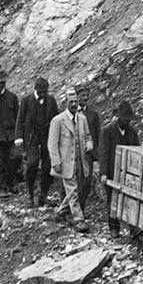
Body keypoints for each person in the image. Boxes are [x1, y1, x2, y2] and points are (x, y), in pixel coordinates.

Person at [49, 88, 95, 228]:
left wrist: (89, 144)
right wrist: (56, 162)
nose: (74, 104)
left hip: (80, 160)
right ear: (66, 104)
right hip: (65, 162)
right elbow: (52, 143)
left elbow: (88, 135)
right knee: (73, 190)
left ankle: (61, 211)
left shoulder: (82, 119)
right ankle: (78, 219)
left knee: (77, 189)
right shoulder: (58, 121)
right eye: (71, 102)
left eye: (75, 101)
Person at [98, 101, 140, 236]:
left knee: (130, 200)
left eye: (128, 119)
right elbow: (103, 153)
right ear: (118, 117)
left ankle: (133, 228)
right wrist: (103, 172)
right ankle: (114, 228)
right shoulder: (107, 131)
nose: (126, 121)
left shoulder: (132, 132)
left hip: (128, 172)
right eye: (124, 118)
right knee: (112, 199)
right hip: (111, 171)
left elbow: (137, 152)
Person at [18, 77, 60, 207]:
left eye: (45, 92)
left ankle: (43, 194)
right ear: (36, 90)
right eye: (41, 92)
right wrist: (19, 138)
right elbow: (20, 120)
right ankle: (30, 194)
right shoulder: (26, 101)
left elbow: (56, 119)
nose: (43, 94)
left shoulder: (51, 101)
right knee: (32, 164)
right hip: (32, 139)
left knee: (48, 166)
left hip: (47, 138)